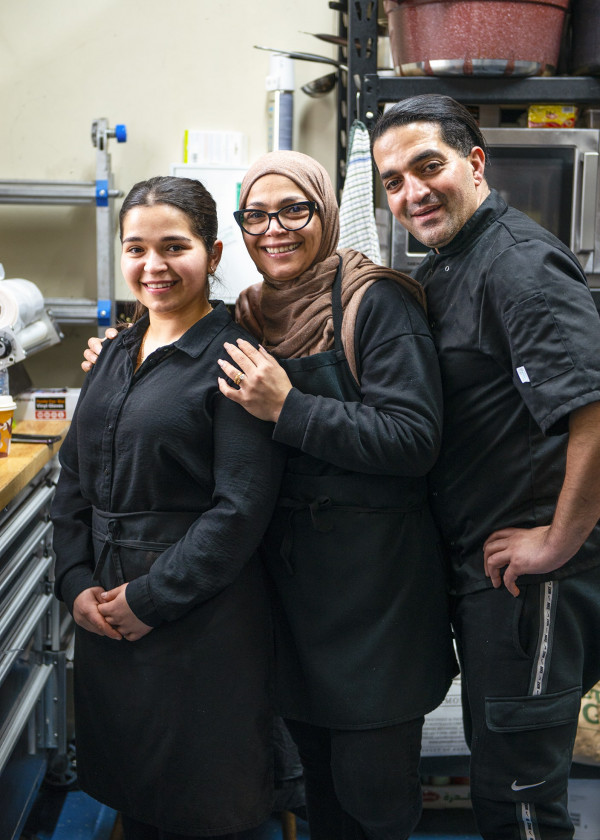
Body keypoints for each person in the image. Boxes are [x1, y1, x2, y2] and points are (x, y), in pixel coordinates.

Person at [83, 152, 457, 840]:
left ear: (326, 211)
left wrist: (290, 407)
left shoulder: (378, 302)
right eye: (256, 215)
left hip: (374, 597)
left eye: (294, 210)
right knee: (316, 788)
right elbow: (178, 335)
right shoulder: (255, 311)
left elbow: (413, 440)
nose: (274, 229)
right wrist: (125, 353)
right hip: (290, 597)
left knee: (373, 795)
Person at [371, 94, 600, 840]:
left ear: (474, 163)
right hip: (488, 576)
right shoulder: (448, 265)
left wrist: (556, 542)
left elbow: (594, 411)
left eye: (428, 166)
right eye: (394, 180)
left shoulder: (518, 267)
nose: (412, 192)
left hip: (533, 580)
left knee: (519, 794)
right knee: (499, 771)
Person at [51, 175, 286, 840]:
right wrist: (74, 586)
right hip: (103, 604)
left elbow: (239, 511)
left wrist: (149, 599)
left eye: (173, 247)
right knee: (131, 783)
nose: (152, 265)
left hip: (199, 617)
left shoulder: (236, 358)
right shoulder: (112, 353)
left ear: (212, 255)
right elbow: (73, 479)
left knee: (203, 798)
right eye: (136, 248)